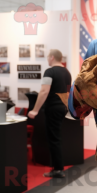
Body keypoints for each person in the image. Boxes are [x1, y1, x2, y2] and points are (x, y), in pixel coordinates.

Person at [28, 49, 71, 178]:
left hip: (52, 109)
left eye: (47, 56)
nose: (47, 59)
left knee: (54, 139)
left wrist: (35, 110)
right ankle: (58, 168)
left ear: (52, 57)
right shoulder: (67, 72)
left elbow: (44, 92)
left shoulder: (49, 71)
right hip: (61, 108)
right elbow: (68, 93)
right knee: (56, 138)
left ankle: (58, 169)